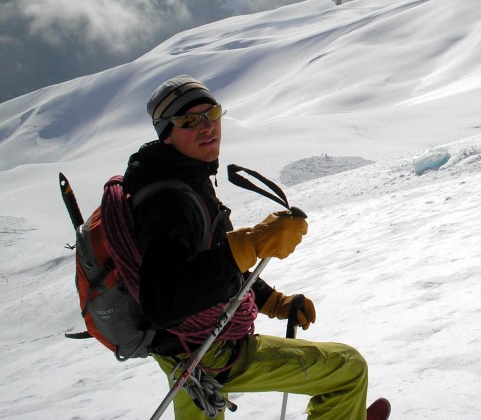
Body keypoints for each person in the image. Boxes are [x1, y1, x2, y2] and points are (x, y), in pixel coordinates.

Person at [123, 75, 370, 419]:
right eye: (188, 121)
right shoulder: (171, 201)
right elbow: (163, 301)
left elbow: (214, 262)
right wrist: (250, 244)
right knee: (348, 369)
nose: (206, 126)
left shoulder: (173, 177)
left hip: (177, 353)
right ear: (166, 132)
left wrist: (274, 302)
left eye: (212, 114)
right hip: (207, 352)